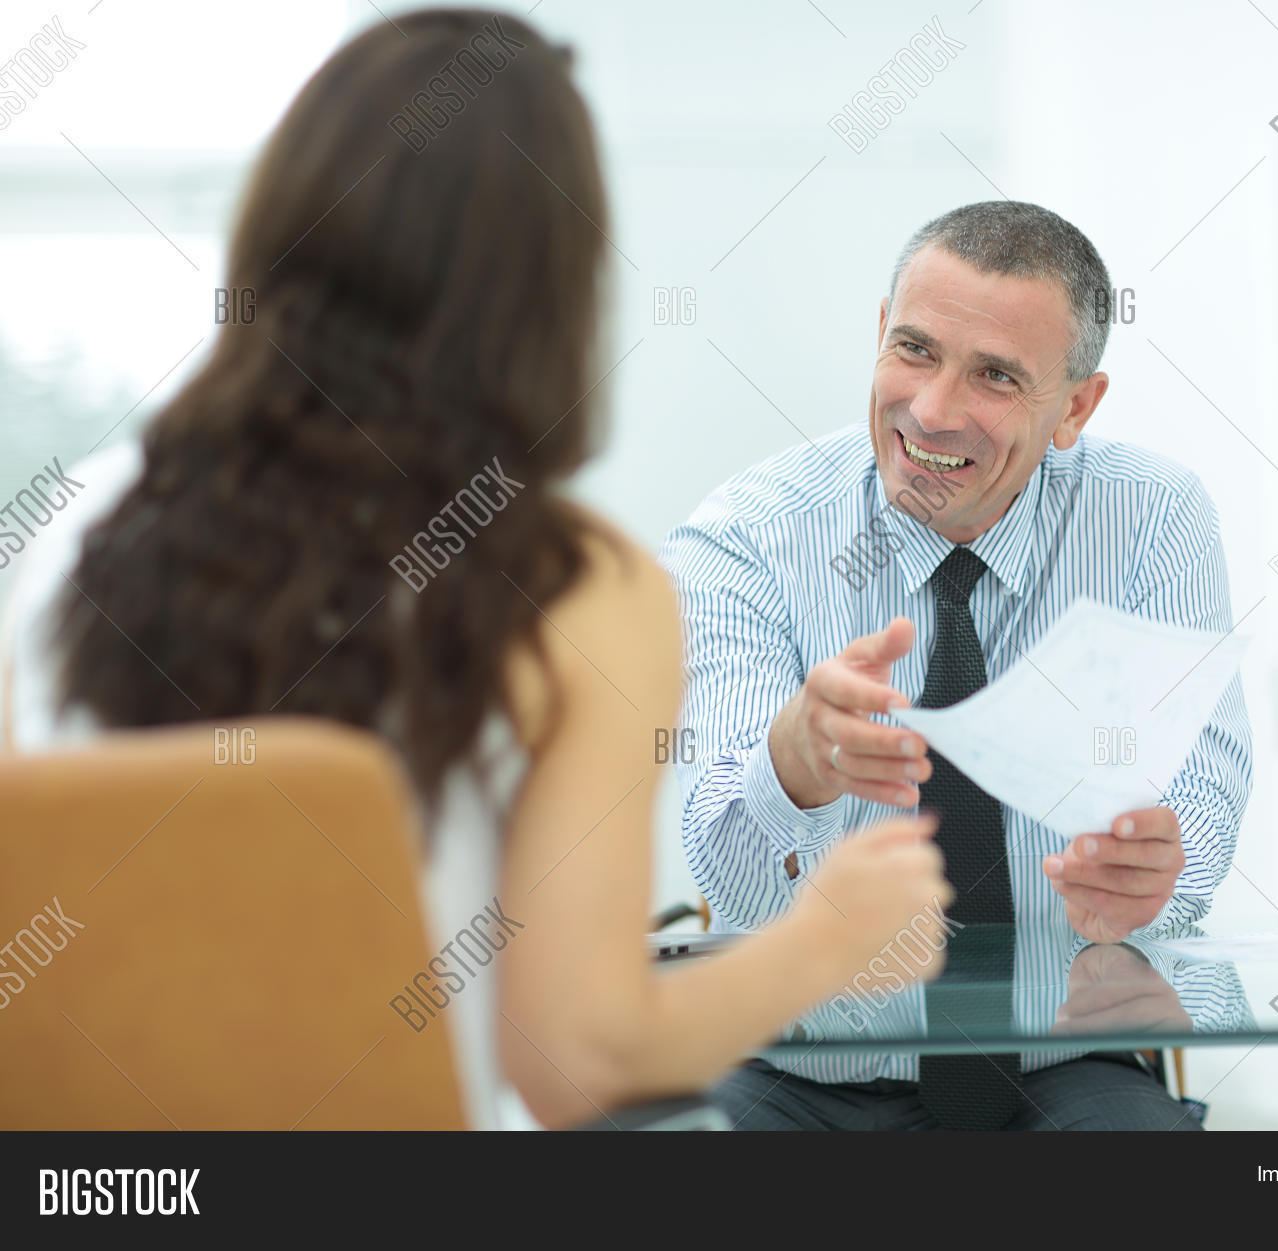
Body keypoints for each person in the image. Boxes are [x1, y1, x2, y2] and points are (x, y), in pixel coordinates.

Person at [0, 8, 952, 1130]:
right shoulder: (571, 584)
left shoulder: (74, 531)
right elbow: (576, 1059)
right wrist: (827, 942)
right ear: (554, 290)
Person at [660, 200, 1254, 1130]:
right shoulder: (746, 536)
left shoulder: (1153, 521)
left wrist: (1157, 872)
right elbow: (733, 883)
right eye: (915, 349)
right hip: (798, 1072)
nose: (933, 411)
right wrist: (793, 766)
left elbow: (1202, 804)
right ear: (879, 333)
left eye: (996, 375)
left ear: (1076, 407)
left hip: (1064, 1067)